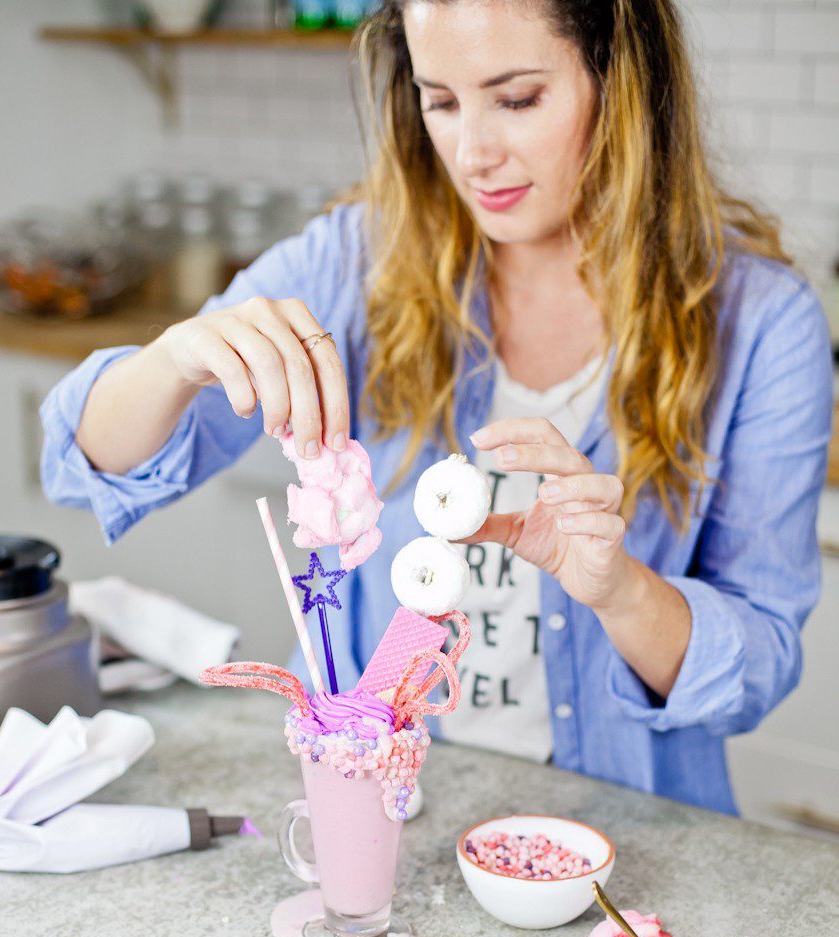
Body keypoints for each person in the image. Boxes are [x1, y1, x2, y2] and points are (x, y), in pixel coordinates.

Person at [41, 0, 833, 814]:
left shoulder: (762, 323)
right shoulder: (355, 262)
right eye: (442, 102)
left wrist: (621, 590)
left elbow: (757, 670)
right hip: (377, 820)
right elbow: (80, 465)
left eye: (517, 99)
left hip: (625, 832)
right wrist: (176, 358)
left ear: (622, 82)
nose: (472, 153)